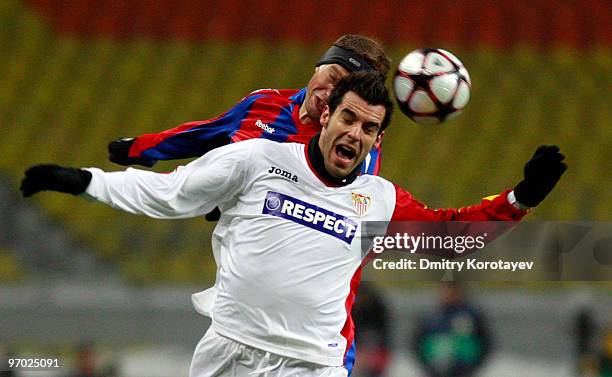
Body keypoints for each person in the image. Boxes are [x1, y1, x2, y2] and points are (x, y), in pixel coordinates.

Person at [21, 72, 566, 376]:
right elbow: (170, 193)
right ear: (325, 116)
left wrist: (520, 198)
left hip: (310, 366)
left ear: (379, 141)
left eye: (369, 128)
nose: (355, 133)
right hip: (227, 349)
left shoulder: (379, 200)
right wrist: (81, 181)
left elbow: (452, 240)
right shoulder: (258, 160)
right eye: (348, 118)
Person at [412, 282, 491, 377]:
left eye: (451, 291)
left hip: (464, 370)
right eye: (445, 290)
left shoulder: (472, 315)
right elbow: (416, 344)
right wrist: (428, 368)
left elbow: (485, 343)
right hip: (436, 369)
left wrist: (472, 368)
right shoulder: (429, 316)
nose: (447, 294)